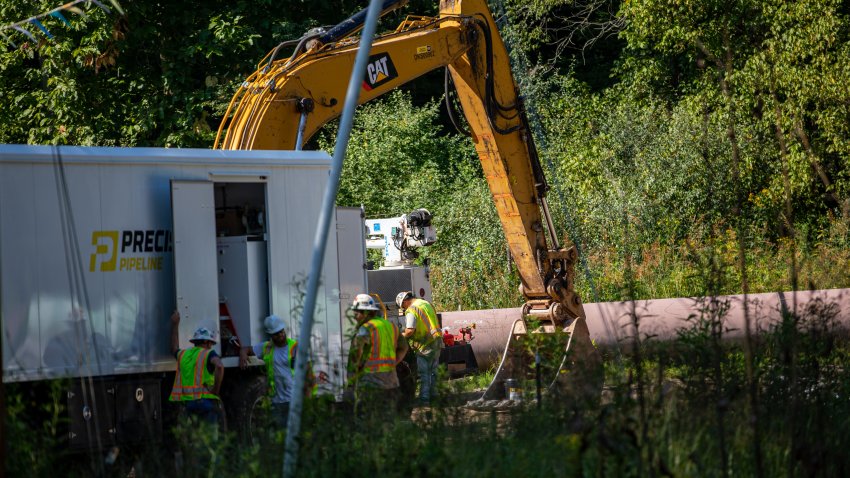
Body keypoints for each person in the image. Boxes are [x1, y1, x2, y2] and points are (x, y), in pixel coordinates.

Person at [239, 314, 312, 427]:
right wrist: (243, 355)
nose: (280, 335)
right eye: (276, 333)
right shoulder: (267, 347)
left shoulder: (295, 347)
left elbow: (308, 374)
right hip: (277, 402)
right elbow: (246, 349)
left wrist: (307, 399)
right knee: (279, 438)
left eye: (281, 331)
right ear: (271, 335)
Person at [348, 293, 408, 414]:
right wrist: (394, 362)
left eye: (357, 313)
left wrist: (351, 379)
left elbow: (356, 357)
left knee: (369, 421)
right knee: (387, 420)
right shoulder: (390, 326)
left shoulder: (365, 329)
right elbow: (404, 347)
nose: (355, 316)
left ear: (366, 313)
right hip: (391, 383)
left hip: (370, 384)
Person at [168, 311, 224, 424]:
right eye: (210, 343)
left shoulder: (183, 355)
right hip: (206, 402)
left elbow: (173, 348)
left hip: (189, 404)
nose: (210, 346)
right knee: (209, 438)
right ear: (206, 342)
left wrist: (175, 325)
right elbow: (219, 366)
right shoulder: (208, 354)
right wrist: (216, 390)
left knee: (194, 437)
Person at [396, 291, 443, 405]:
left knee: (424, 373)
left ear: (405, 302)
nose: (403, 309)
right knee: (433, 371)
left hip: (424, 345)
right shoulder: (426, 303)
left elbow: (410, 331)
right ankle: (434, 396)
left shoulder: (412, 309)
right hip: (436, 340)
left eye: (403, 306)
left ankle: (424, 399)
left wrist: (398, 337)